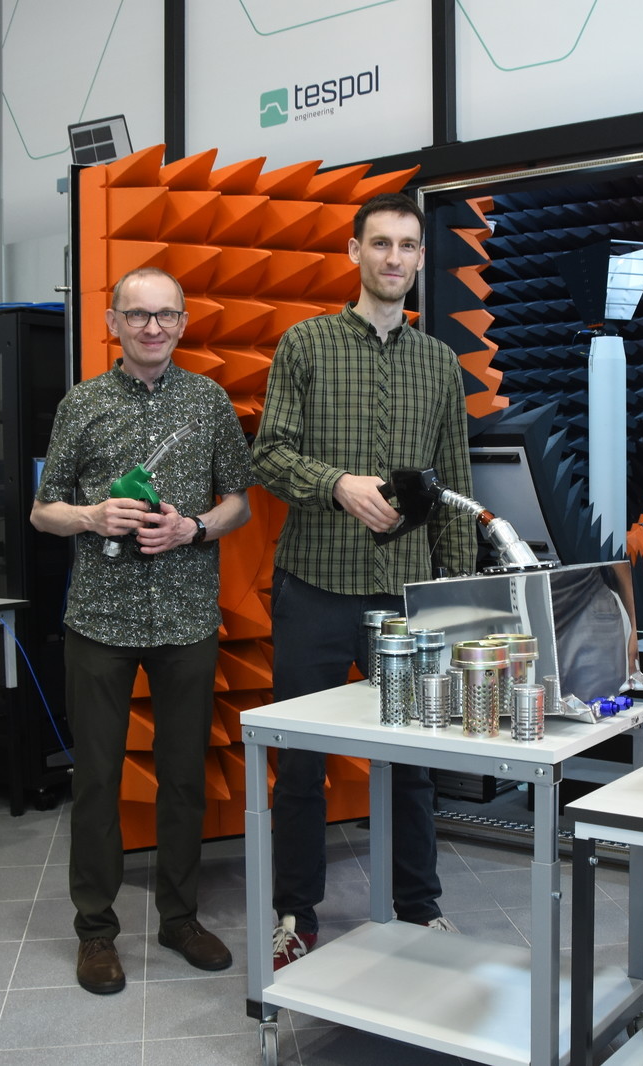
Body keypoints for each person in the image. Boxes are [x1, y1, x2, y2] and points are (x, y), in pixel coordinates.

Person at [252, 191, 476, 968]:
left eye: (407, 246)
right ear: (354, 251)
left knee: (412, 761)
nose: (393, 258)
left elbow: (454, 488)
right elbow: (269, 455)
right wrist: (337, 484)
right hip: (314, 585)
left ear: (420, 258)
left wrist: (459, 598)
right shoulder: (306, 345)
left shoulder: (439, 363)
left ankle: (419, 907)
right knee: (300, 763)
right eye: (380, 243)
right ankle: (295, 914)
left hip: (405, 596)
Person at [31, 267, 256, 993]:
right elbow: (43, 510)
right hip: (100, 619)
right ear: (113, 322)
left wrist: (194, 528)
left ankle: (181, 918)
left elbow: (239, 502)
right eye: (138, 314)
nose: (152, 327)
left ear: (183, 322)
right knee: (97, 780)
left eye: (165, 315)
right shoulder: (82, 403)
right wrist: (92, 516)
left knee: (184, 777)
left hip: (187, 617)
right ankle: (95, 932)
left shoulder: (209, 400)